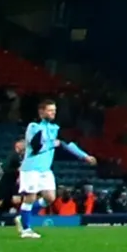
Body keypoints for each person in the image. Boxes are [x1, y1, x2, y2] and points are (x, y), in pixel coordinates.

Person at [13, 99, 96, 240]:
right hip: (31, 168)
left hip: (45, 170)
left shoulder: (55, 129)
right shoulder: (34, 127)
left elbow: (67, 144)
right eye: (50, 110)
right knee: (30, 197)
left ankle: (22, 218)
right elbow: (35, 148)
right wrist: (53, 143)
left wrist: (84, 156)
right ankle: (26, 229)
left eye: (54, 111)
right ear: (41, 112)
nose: (53, 113)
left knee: (50, 197)